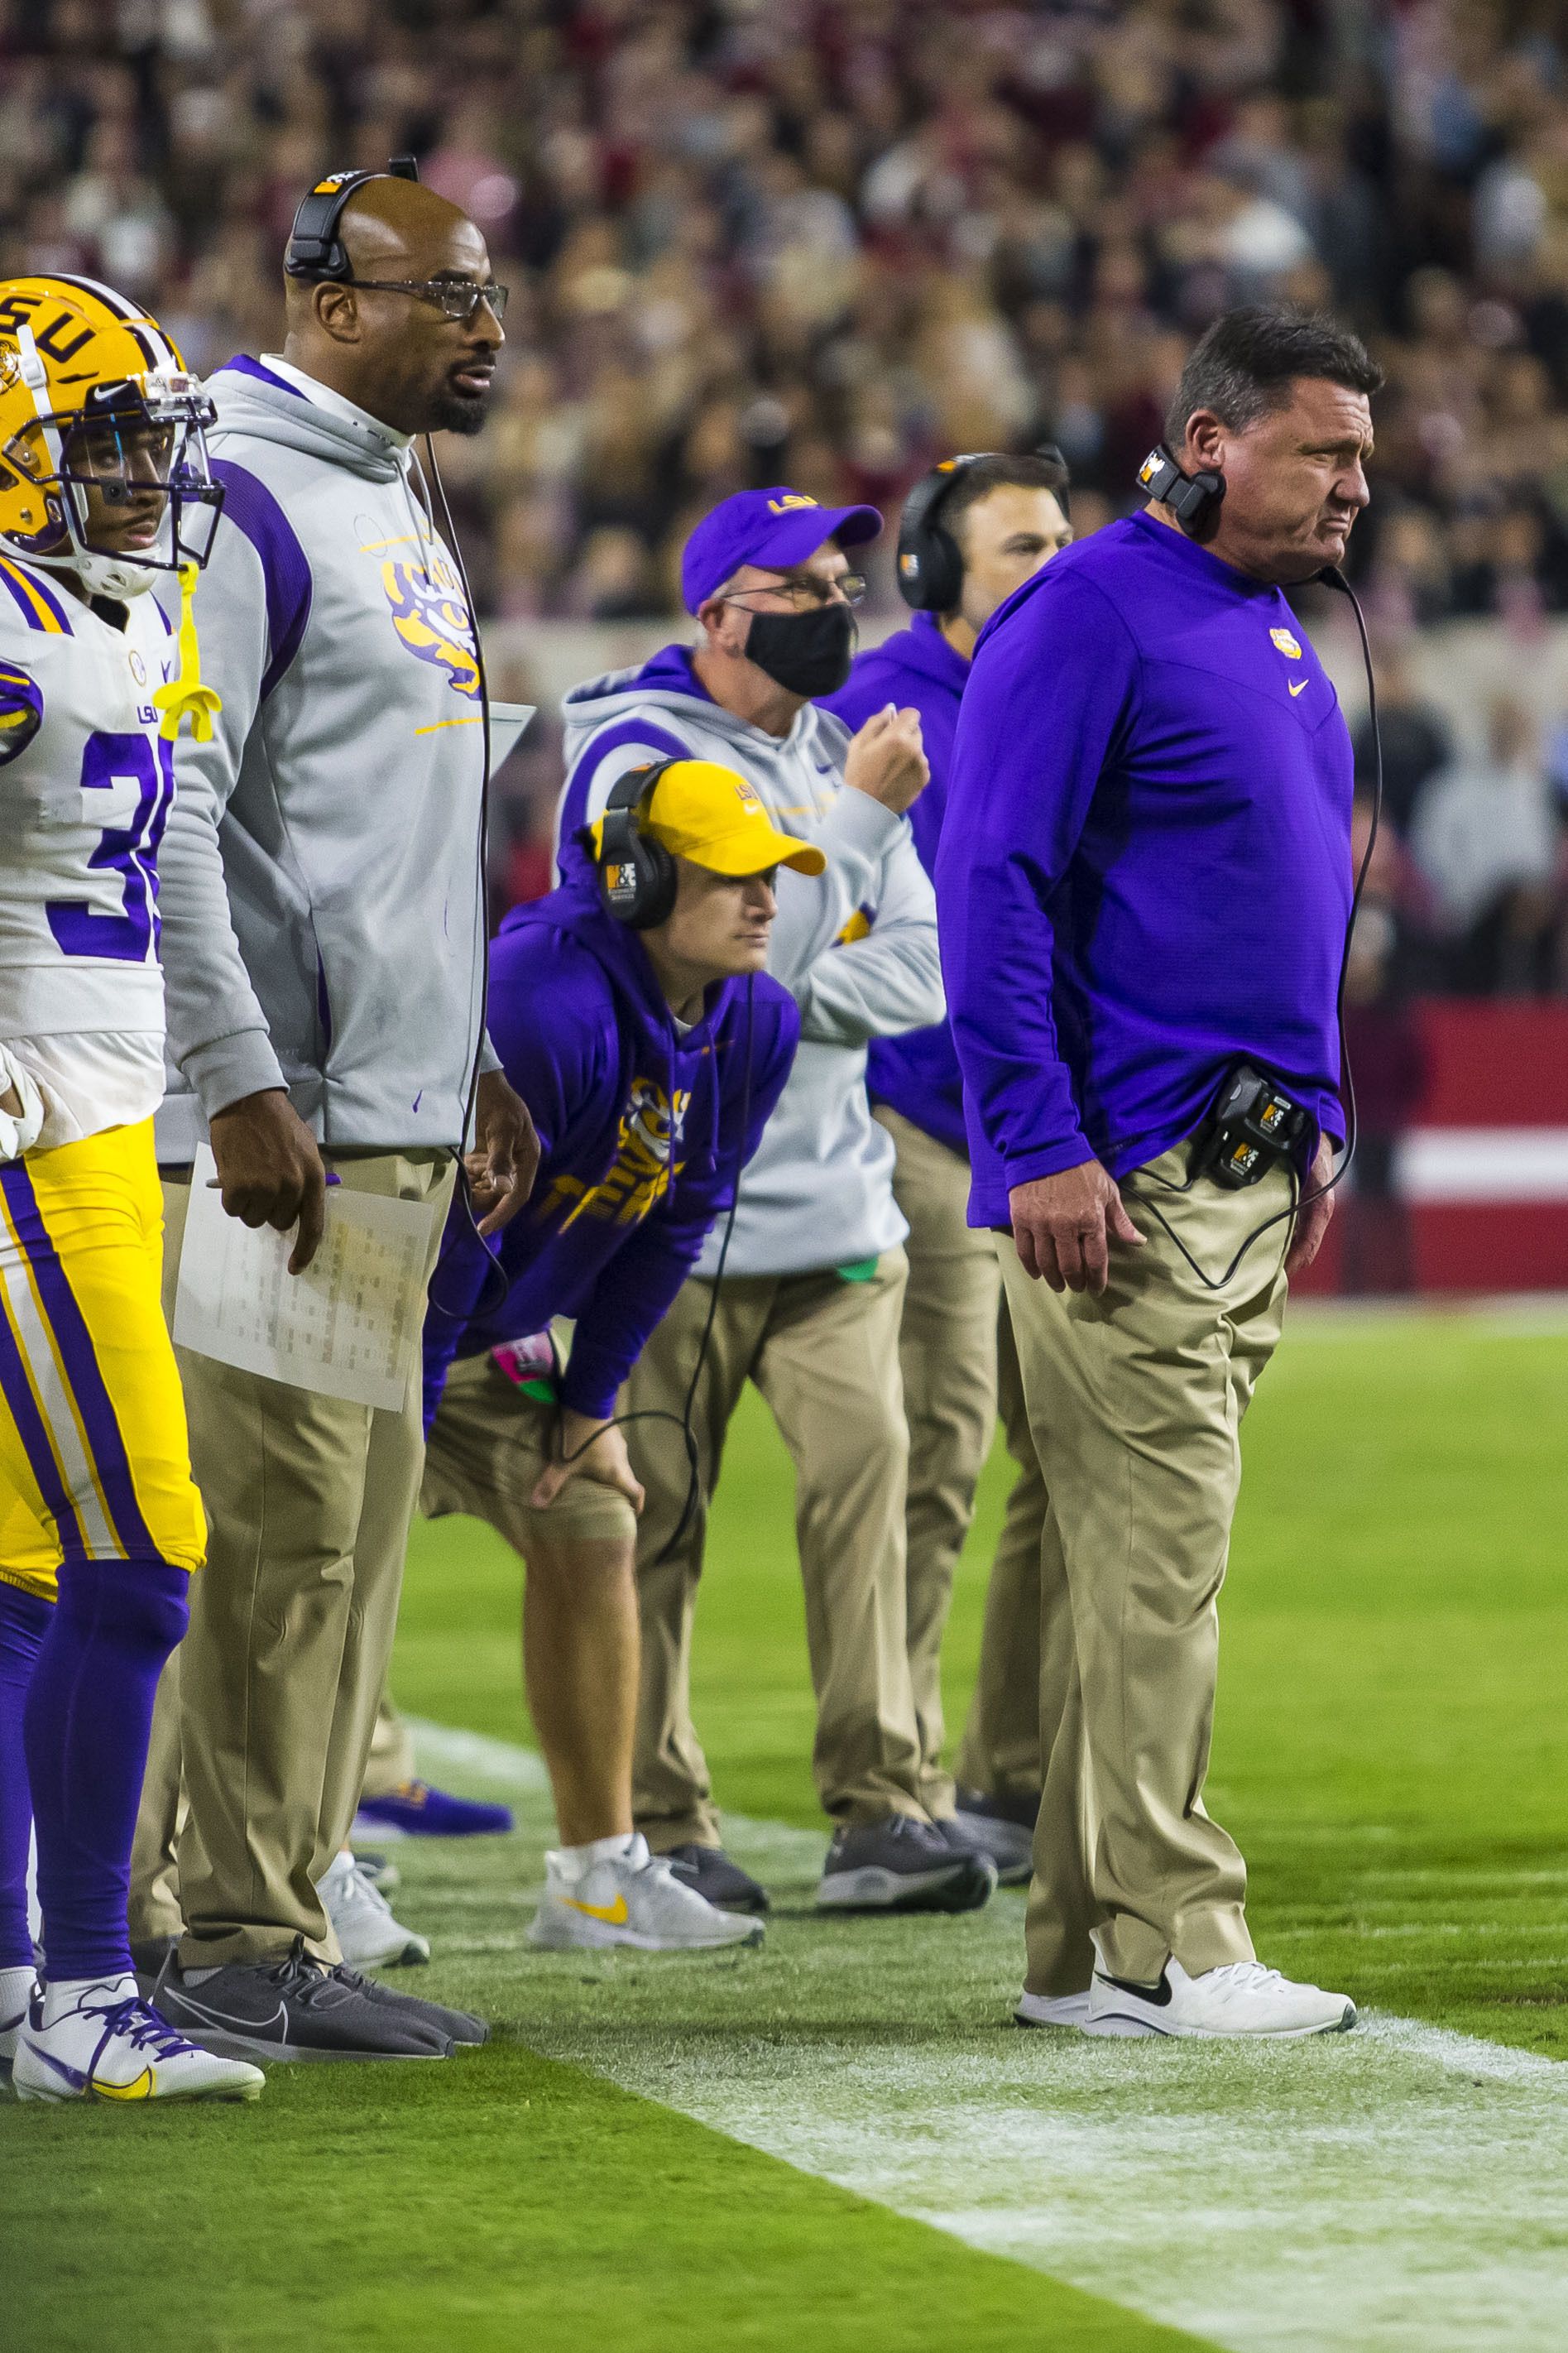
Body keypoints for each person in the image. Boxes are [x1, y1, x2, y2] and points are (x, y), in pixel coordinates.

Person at [940, 304, 1379, 2038]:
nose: (1356, 481)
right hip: (1130, 1180)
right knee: (1154, 1570)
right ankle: (1178, 1947)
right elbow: (992, 884)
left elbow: (1275, 909)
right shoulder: (1090, 610)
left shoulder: (1263, 625)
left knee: (1138, 1562)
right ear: (1208, 442)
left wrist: (1319, 1113)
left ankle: (1080, 1958)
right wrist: (1036, 1138)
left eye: (1361, 450)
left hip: (1244, 1174)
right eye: (1319, 449)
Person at [137, 170, 538, 2065]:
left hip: (391, 1114)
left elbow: (386, 839)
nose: (486, 322)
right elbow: (178, 807)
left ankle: (263, 1919)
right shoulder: (237, 490)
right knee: (284, 1534)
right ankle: (231, 1935)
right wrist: (237, 1077)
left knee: (350, 1535)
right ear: (327, 300)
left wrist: (465, 1058)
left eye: (488, 290)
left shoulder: (388, 494)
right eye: (445, 293)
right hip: (284, 1128)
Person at [559, 488, 995, 1918]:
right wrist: (851, 849)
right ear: (715, 613)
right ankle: (665, 1821)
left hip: (833, 1216)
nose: (832, 605)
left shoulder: (830, 750)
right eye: (796, 585)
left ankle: (882, 1808)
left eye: (838, 579)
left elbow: (915, 978)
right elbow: (682, 963)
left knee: (870, 1498)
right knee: (658, 1522)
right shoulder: (633, 748)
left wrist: (780, 955)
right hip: (670, 1206)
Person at [0, 275, 259, 2102]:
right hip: (31, 1131)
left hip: (104, 1117)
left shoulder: (104, 608)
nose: (138, 478)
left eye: (146, 445)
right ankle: (88, 1989)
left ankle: (25, 1975)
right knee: (145, 1558)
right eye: (100, 446)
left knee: (24, 1582)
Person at [420, 759, 804, 1950]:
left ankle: (596, 1875)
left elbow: (678, 1214)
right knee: (311, 1583)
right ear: (635, 879)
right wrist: (403, 1403)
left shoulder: (753, 1017)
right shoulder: (545, 1005)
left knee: (595, 1521)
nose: (763, 902)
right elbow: (436, 1224)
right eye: (730, 876)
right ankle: (254, 1883)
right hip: (389, 1320)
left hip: (493, 1335)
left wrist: (590, 1402)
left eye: (770, 876)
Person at [820, 449, 1074, 1884]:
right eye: (1020, 550)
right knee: (938, 1460)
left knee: (1063, 1462)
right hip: (925, 1130)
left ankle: (1015, 1775)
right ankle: (893, 1797)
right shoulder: (883, 708)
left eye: (1060, 541)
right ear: (932, 578)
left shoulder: (1066, 676)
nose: (1055, 567)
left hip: (1046, 1142)